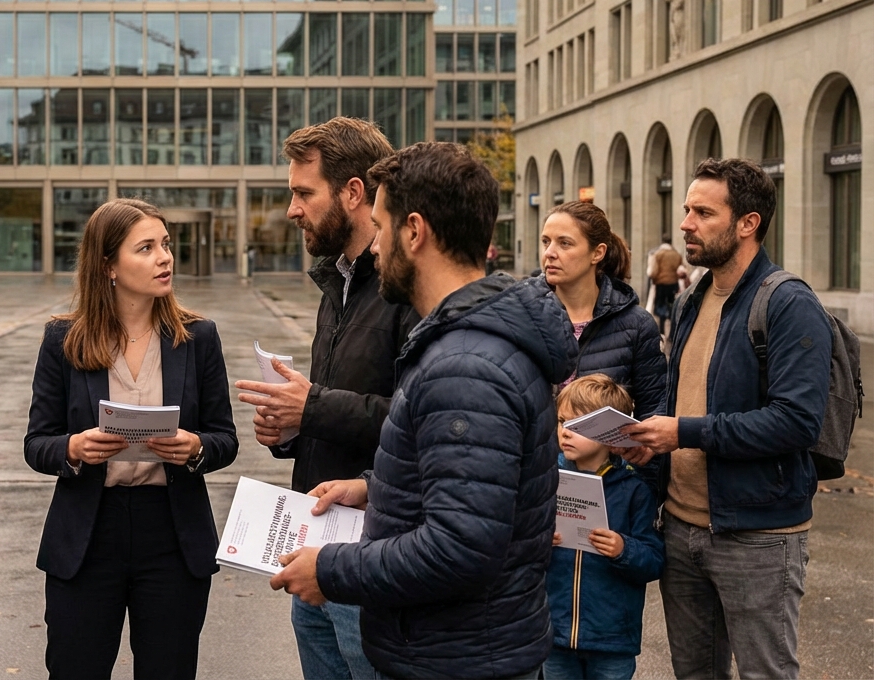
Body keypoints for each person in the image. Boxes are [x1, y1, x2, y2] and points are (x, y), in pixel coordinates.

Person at [270, 142, 579, 679]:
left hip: (455, 656)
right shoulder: (463, 345)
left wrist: (333, 568)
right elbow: (467, 487)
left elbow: (459, 547)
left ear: (415, 232)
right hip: (459, 649)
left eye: (383, 227)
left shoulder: (465, 364)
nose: (374, 247)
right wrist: (373, 486)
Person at [621, 158, 831, 680]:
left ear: (747, 223)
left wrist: (683, 433)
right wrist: (656, 439)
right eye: (687, 209)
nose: (686, 223)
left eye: (702, 212)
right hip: (683, 528)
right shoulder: (693, 297)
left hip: (759, 536)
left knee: (765, 673)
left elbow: (796, 422)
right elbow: (687, 398)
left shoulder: (787, 303)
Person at [24, 198, 239, 679]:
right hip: (88, 533)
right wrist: (74, 449)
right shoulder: (64, 340)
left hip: (171, 534)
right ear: (109, 266)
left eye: (165, 244)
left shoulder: (198, 337)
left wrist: (195, 447)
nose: (165, 257)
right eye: (146, 248)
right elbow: (37, 443)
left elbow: (225, 437)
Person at [235, 117, 416, 680]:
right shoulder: (334, 283)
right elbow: (341, 402)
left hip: (374, 553)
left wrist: (310, 407)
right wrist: (290, 431)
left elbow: (422, 421)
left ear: (354, 192)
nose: (292, 210)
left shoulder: (404, 290)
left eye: (303, 193)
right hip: (314, 546)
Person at [545, 374, 665, 680]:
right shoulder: (547, 481)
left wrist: (623, 550)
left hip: (611, 639)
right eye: (561, 421)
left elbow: (654, 560)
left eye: (578, 425)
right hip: (553, 633)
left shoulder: (633, 491)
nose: (565, 432)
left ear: (609, 434)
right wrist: (538, 543)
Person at [540, 201, 667, 416]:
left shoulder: (636, 324)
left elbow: (654, 411)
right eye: (546, 242)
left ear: (597, 253)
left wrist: (637, 447)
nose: (550, 253)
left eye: (564, 243)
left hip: (609, 450)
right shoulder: (524, 313)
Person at [647, 235, 684, 337]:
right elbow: (681, 268)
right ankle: (672, 332)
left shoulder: (658, 254)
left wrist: (653, 280)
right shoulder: (676, 255)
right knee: (672, 306)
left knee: (660, 306)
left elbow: (653, 271)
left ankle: (662, 330)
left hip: (661, 284)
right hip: (673, 284)